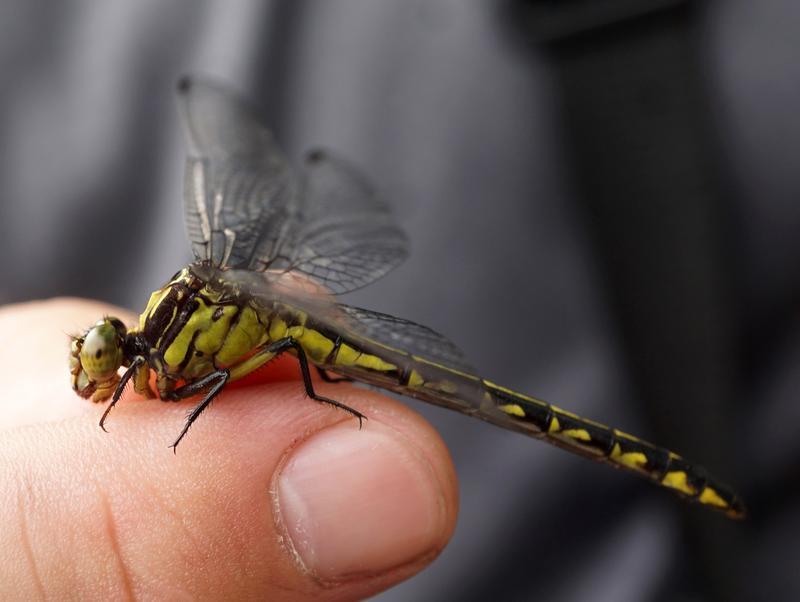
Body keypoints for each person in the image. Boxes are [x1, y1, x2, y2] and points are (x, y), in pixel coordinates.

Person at [0, 298, 458, 598]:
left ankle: (321, 391)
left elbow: (217, 376)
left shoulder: (157, 348)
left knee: (284, 344)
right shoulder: (150, 347)